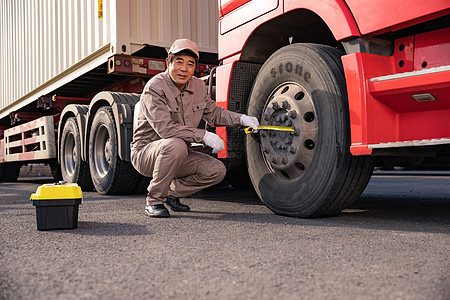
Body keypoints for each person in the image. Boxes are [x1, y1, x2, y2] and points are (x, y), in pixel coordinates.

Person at [130, 38, 259, 218]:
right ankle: (154, 201)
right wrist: (204, 136)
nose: (184, 68)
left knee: (216, 170)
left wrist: (242, 119)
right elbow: (166, 130)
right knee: (176, 145)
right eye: (179, 62)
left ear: (195, 68)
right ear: (169, 62)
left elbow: (214, 114)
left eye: (190, 64)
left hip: (179, 152)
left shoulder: (198, 86)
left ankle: (171, 194)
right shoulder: (155, 87)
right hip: (146, 153)